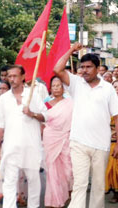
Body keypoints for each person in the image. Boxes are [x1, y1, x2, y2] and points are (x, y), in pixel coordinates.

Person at [54, 43, 118, 208]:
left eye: (89, 67)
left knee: (99, 186)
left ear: (98, 68)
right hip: (78, 142)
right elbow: (57, 69)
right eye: (82, 67)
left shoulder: (107, 89)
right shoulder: (76, 83)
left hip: (101, 144)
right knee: (80, 184)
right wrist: (71, 50)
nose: (84, 70)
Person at [0, 65, 47, 208]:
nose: (12, 79)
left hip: (31, 147)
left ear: (23, 77)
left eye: (15, 76)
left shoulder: (33, 95)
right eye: (9, 76)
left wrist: (32, 114)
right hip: (11, 147)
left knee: (33, 180)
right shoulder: (4, 98)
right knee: (9, 182)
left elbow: (45, 116)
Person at [43, 76, 73, 208]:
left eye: (58, 85)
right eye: (53, 86)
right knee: (53, 170)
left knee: (68, 170)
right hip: (51, 139)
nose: (56, 88)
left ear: (63, 87)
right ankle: (54, 200)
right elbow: (42, 121)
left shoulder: (71, 103)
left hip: (67, 139)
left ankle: (68, 194)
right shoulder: (45, 104)